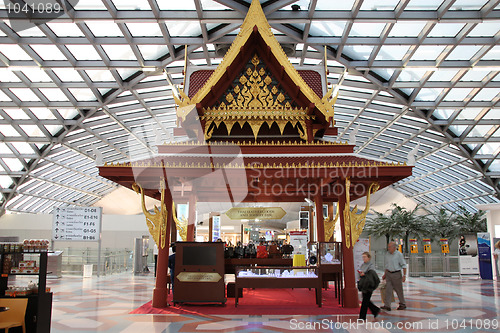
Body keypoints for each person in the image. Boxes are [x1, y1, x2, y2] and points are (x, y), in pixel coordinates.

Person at [381, 242, 407, 311]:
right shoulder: (387, 254)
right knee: (388, 290)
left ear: (394, 247)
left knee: (399, 290)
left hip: (396, 274)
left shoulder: (399, 255)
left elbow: (404, 265)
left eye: (390, 247)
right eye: (388, 247)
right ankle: (387, 305)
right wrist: (385, 274)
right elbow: (386, 265)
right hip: (389, 274)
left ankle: (402, 304)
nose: (388, 248)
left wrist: (404, 275)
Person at [357, 252, 380, 320]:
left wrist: (365, 274)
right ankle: (375, 310)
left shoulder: (371, 266)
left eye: (365, 257)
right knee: (366, 300)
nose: (364, 258)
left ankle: (362, 316)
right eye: (363, 257)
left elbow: (371, 275)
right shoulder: (363, 265)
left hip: (369, 285)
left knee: (365, 301)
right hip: (364, 284)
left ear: (369, 258)